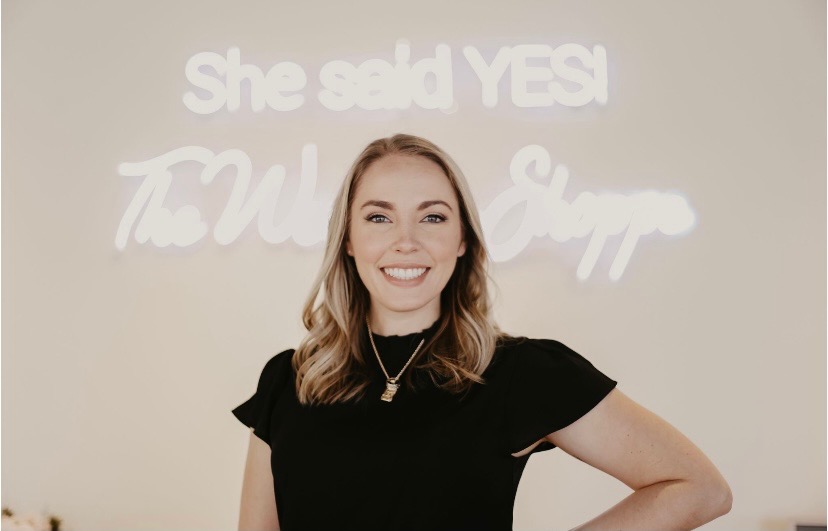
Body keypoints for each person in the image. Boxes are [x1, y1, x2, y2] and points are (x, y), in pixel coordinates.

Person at [232, 134, 732, 531]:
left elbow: (699, 488)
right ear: (347, 240)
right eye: (379, 217)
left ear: (463, 240)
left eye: (432, 217)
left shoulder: (521, 373)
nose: (405, 242)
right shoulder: (288, 380)